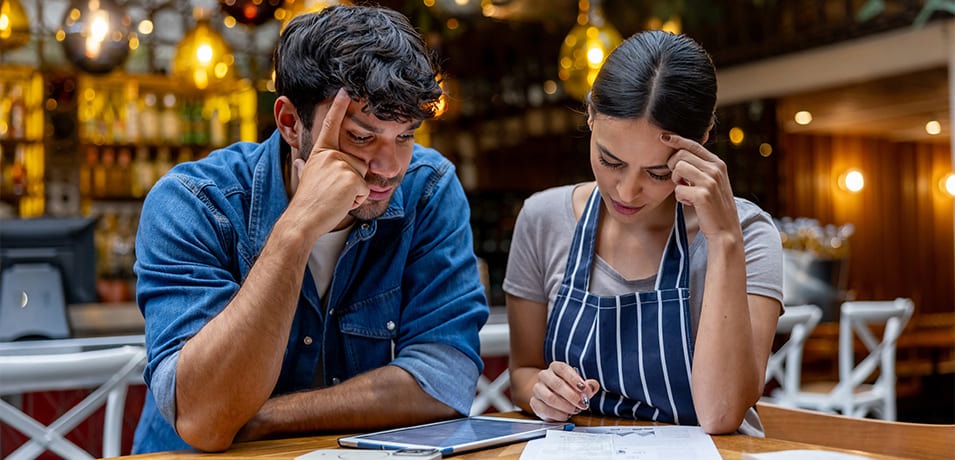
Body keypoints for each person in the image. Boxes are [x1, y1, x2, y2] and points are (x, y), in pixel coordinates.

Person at [132, 5, 488, 453]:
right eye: (361, 137)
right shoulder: (194, 202)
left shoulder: (427, 188)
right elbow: (205, 419)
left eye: (405, 136)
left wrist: (261, 418)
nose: (390, 168)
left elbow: (444, 379)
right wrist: (295, 232)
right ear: (288, 123)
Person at [503, 30, 783, 436]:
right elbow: (522, 374)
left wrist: (723, 240)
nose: (627, 191)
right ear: (590, 115)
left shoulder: (750, 235)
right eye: (610, 161)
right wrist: (541, 392)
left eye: (657, 172)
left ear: (702, 142)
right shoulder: (543, 219)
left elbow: (722, 414)